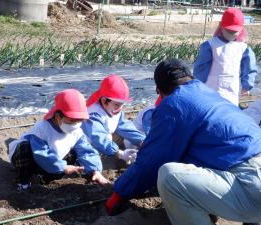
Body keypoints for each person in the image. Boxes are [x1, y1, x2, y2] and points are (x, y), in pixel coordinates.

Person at [106, 59, 261, 225]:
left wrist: (120, 192)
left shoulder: (174, 104)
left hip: (251, 187)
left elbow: (151, 160)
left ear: (160, 91)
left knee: (170, 177)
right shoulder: (208, 94)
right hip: (253, 175)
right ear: (190, 77)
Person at [9, 89, 109, 190]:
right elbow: (41, 155)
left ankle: (44, 178)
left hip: (54, 162)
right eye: (71, 121)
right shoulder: (42, 129)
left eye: (79, 121)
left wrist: (95, 170)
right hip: (33, 160)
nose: (75, 125)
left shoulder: (77, 132)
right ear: (57, 116)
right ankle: (23, 182)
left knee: (75, 152)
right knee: (24, 147)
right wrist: (63, 167)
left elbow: (87, 152)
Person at [193, 7, 257, 106]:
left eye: (234, 32)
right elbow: (201, 67)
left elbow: (249, 68)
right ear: (221, 27)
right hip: (211, 90)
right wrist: (198, 83)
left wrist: (246, 86)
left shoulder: (243, 48)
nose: (231, 34)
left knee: (228, 112)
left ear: (241, 30)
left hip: (232, 91)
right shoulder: (210, 46)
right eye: (229, 31)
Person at [81, 74, 146, 165]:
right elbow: (99, 138)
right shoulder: (93, 115)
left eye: (122, 104)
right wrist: (119, 153)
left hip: (106, 140)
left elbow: (124, 126)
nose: (120, 108)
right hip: (90, 147)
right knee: (102, 165)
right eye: (117, 104)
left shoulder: (113, 108)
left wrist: (142, 141)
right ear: (104, 100)